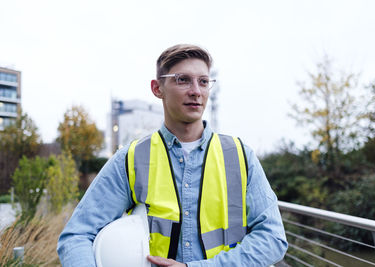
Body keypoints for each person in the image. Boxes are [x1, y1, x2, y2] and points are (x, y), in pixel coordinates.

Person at [57, 44, 288, 267]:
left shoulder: (240, 155)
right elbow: (76, 236)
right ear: (158, 89)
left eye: (204, 81)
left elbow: (273, 239)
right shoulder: (131, 159)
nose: (196, 91)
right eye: (183, 79)